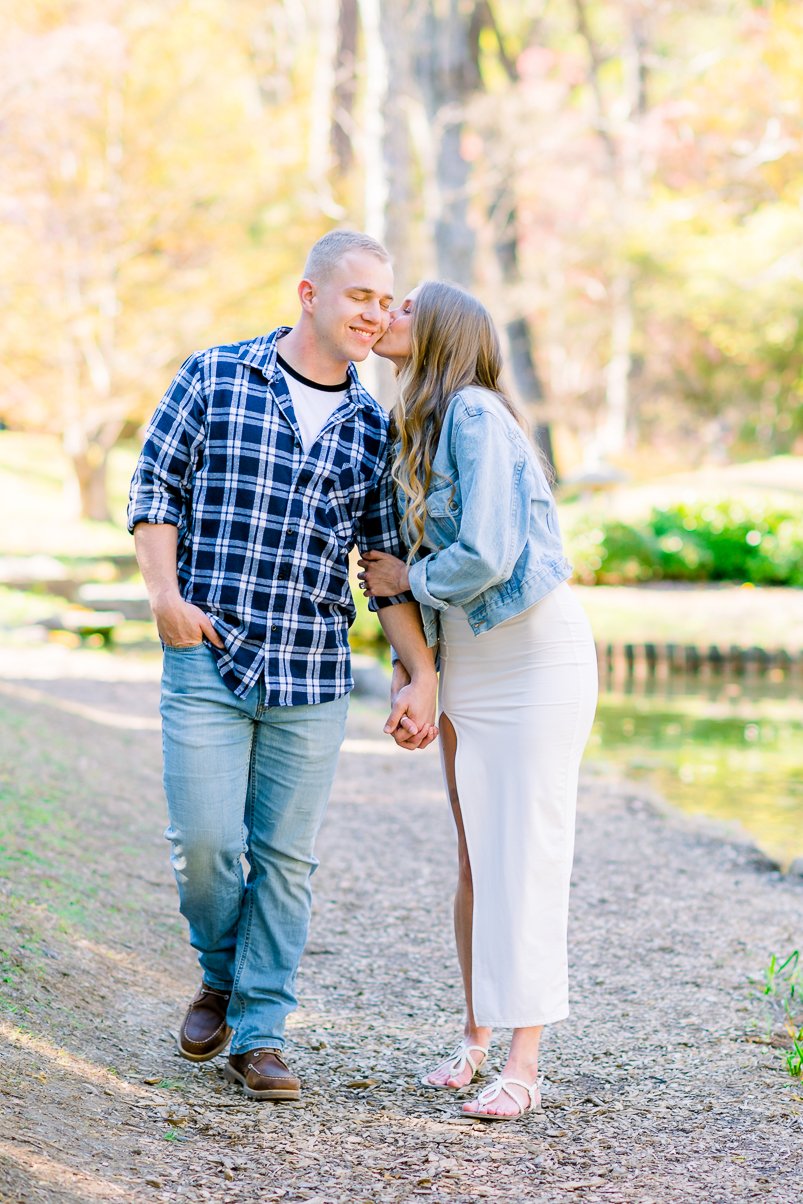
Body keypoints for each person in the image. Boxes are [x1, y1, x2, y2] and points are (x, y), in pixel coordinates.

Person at [128, 231, 438, 1102]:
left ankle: (258, 1031)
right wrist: (164, 597)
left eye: (387, 301)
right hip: (209, 656)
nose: (377, 314)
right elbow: (156, 486)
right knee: (206, 845)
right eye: (361, 298)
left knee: (286, 860)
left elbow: (382, 565)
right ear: (310, 295)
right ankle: (221, 974)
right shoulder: (215, 375)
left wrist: (419, 672)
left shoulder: (372, 427)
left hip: (310, 674)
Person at [359, 281, 598, 1121]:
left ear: (441, 333)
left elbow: (489, 554)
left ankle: (524, 1066)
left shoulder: (472, 414)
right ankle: (473, 1038)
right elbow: (409, 572)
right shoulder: (411, 429)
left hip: (533, 659)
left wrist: (407, 578)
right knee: (473, 857)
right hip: (469, 658)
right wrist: (413, 668)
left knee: (523, 856)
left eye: (402, 309)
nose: (384, 317)